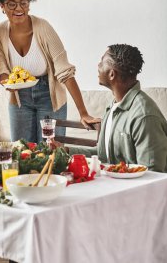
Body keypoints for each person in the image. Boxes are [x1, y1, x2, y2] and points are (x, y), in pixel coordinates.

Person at [0, 0, 99, 143]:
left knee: (50, 152)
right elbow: (1, 71)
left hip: (49, 95)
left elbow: (65, 72)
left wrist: (83, 113)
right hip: (19, 99)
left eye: (24, 2)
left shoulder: (43, 28)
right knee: (21, 151)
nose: (19, 8)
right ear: (2, 6)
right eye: (11, 3)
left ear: (29, 3)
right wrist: (8, 83)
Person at [67, 44, 167, 172]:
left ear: (112, 74)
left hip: (135, 190)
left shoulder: (144, 117)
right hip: (112, 185)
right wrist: (67, 151)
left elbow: (152, 175)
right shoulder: (113, 107)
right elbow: (104, 155)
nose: (98, 66)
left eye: (101, 62)